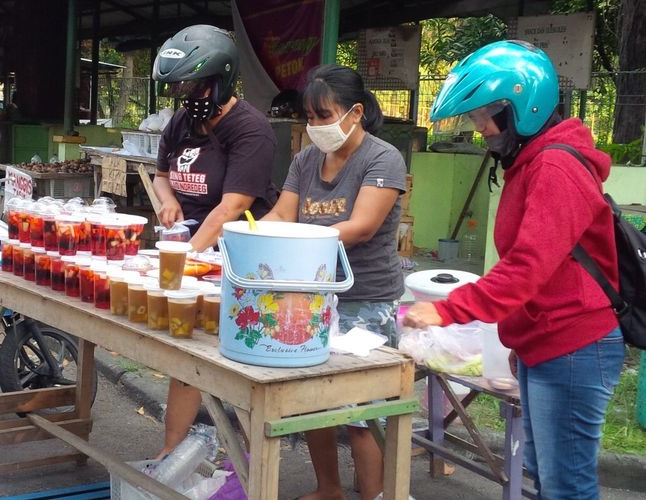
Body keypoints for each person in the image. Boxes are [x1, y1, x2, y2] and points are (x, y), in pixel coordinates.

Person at [403, 40, 624, 500]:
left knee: (566, 484)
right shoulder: (530, 162)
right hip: (547, 339)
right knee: (547, 475)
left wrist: (448, 311)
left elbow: (528, 266)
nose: (480, 128)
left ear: (522, 107)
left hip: (575, 344)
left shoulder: (555, 166)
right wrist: (518, 336)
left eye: (486, 115)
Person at [262, 64, 407, 500]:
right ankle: (329, 489)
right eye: (310, 117)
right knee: (313, 403)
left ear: (355, 112)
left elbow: (361, 226)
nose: (316, 126)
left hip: (366, 301)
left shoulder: (382, 159)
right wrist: (250, 234)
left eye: (324, 116)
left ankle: (374, 495)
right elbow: (282, 214)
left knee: (359, 414)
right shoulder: (307, 159)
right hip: (311, 296)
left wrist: (293, 235)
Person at [151, 24, 278, 458]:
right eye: (180, 86)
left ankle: (251, 462)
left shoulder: (252, 130)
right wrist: (167, 202)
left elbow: (229, 211)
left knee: (240, 363)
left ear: (220, 80)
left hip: (240, 260)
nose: (185, 94)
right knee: (187, 359)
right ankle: (170, 454)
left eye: (192, 84)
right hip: (195, 253)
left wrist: (183, 259)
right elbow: (161, 174)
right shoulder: (183, 120)